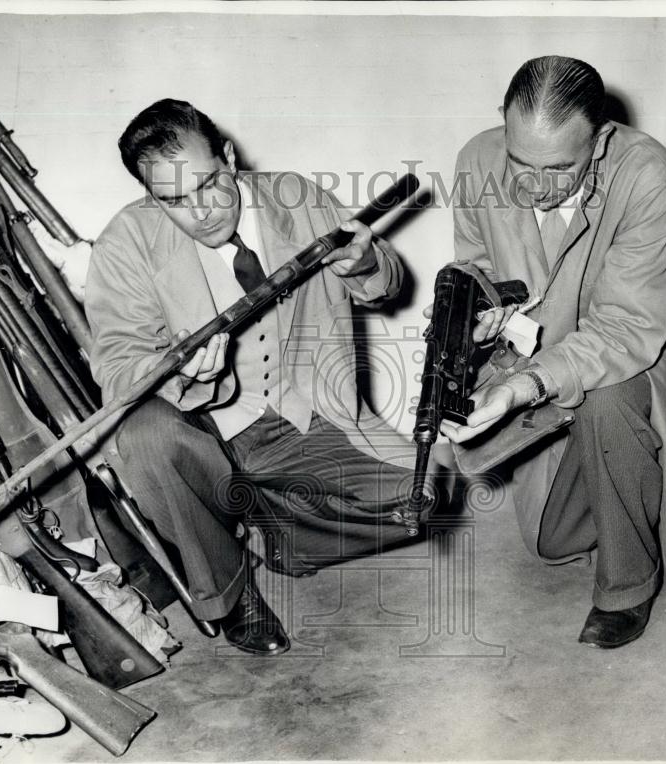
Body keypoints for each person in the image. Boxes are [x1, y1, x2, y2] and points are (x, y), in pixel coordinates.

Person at [441, 56, 666, 648]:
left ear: (602, 139)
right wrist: (477, 317)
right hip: (560, 348)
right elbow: (478, 263)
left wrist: (526, 385)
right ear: (502, 128)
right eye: (520, 162)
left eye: (560, 168)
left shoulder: (649, 176)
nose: (534, 188)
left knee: (609, 392)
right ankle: (640, 477)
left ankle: (627, 585)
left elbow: (624, 330)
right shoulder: (476, 160)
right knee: (551, 542)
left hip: (663, 338)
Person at [85, 99, 419, 656]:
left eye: (210, 183)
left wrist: (364, 265)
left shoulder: (297, 196)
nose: (203, 211)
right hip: (203, 434)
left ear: (231, 158)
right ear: (150, 198)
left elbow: (388, 283)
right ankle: (230, 589)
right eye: (173, 200)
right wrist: (176, 373)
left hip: (304, 418)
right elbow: (117, 364)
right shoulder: (125, 242)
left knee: (429, 496)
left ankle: (283, 535)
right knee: (147, 435)